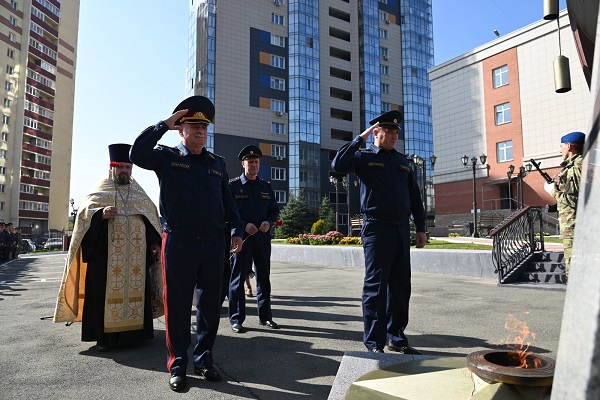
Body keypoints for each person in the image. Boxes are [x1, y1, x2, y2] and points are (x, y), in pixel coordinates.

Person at [129, 95, 244, 392]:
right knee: (177, 304)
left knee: (209, 304)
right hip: (179, 242)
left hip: (214, 244)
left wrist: (237, 230)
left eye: (204, 128)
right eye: (193, 127)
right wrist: (163, 124)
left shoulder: (217, 164)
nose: (200, 133)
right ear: (181, 131)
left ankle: (204, 359)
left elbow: (229, 205)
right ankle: (178, 363)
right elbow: (136, 154)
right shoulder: (167, 157)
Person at [331, 110, 427, 354]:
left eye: (396, 132)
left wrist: (421, 228)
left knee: (400, 285)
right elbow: (337, 165)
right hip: (377, 228)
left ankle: (396, 336)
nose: (395, 136)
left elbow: (415, 197)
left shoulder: (403, 161)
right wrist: (359, 139)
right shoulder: (363, 157)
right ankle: (375, 342)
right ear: (376, 132)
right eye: (389, 131)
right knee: (375, 286)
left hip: (401, 229)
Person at [53, 144, 163, 352]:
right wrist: (100, 215)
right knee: (104, 295)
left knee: (137, 295)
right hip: (106, 259)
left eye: (128, 167)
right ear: (112, 167)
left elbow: (151, 220)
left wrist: (155, 242)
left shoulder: (139, 194)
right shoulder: (99, 191)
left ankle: (136, 335)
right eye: (121, 166)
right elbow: (84, 216)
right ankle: (106, 339)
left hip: (136, 262)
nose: (125, 171)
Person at [227, 146, 280, 334]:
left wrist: (269, 221)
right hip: (242, 239)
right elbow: (227, 213)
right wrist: (243, 225)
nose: (254, 165)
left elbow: (274, 210)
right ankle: (236, 319)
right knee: (237, 280)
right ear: (243, 164)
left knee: (264, 279)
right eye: (250, 162)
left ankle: (265, 317)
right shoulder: (233, 186)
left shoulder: (266, 187)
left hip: (262, 240)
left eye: (256, 162)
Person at [544, 131, 585, 280]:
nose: (559, 149)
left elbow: (573, 201)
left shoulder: (577, 167)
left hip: (574, 228)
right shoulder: (575, 166)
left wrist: (553, 192)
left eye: (561, 146)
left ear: (569, 146)